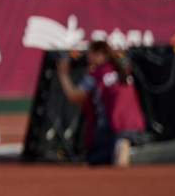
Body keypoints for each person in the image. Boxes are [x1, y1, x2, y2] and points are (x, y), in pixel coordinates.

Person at [55, 39, 147, 167]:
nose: (86, 56)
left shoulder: (97, 74)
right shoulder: (122, 70)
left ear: (99, 54)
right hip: (136, 124)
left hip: (113, 126)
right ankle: (126, 149)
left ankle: (118, 148)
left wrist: (63, 75)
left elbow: (74, 96)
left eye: (89, 53)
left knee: (92, 158)